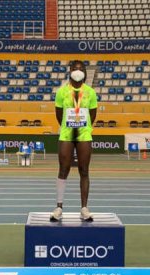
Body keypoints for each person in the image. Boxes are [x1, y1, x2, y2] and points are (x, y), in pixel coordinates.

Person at [50, 60, 98, 222]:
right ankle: (59, 207)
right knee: (63, 169)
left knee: (84, 171)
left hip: (84, 135)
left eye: (81, 69)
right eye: (75, 69)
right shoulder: (61, 92)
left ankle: (84, 208)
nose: (78, 71)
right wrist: (68, 127)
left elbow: (92, 115)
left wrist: (83, 127)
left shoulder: (90, 92)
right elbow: (58, 114)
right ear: (70, 71)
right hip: (66, 135)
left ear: (85, 72)